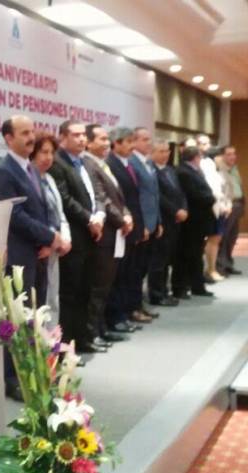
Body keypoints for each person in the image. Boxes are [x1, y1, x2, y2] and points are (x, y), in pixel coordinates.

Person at [0, 116, 65, 401]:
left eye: (32, 131)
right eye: (24, 133)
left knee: (36, 317)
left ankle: (33, 370)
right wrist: (49, 237)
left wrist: (48, 241)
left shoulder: (31, 169)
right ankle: (12, 379)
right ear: (8, 138)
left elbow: (43, 211)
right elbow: (16, 216)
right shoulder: (3, 172)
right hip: (19, 258)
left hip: (38, 255)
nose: (31, 137)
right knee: (17, 319)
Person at [48, 119, 108, 354]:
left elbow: (98, 194)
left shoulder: (86, 162)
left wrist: (99, 215)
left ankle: (83, 340)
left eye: (84, 134)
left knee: (86, 291)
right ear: (62, 137)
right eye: (76, 135)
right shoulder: (58, 163)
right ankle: (67, 346)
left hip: (92, 236)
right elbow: (65, 199)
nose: (82, 139)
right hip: (74, 237)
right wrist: (89, 219)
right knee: (70, 295)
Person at [82, 124, 133, 343]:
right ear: (89, 142)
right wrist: (121, 219)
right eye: (101, 139)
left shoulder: (102, 164)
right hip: (104, 235)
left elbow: (118, 198)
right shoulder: (88, 165)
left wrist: (127, 214)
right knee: (97, 287)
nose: (106, 143)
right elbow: (102, 198)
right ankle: (92, 333)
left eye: (107, 139)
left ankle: (101, 328)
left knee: (106, 286)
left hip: (115, 234)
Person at [104, 127, 146, 330]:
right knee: (119, 275)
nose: (133, 146)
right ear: (116, 143)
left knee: (130, 273)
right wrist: (123, 220)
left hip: (131, 225)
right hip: (118, 227)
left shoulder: (127, 164)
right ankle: (117, 317)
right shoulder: (110, 165)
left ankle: (127, 312)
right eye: (128, 142)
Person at [30, 132, 71, 324]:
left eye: (51, 153)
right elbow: (32, 217)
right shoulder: (28, 179)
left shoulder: (49, 179)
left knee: (53, 297)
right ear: (33, 152)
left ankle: (53, 339)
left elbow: (59, 213)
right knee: (40, 301)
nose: (48, 157)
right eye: (43, 152)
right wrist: (48, 240)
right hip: (40, 248)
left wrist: (65, 238)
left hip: (56, 246)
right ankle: (42, 340)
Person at [128, 127, 162, 320]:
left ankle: (140, 305)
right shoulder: (132, 163)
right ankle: (134, 307)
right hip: (141, 225)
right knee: (135, 269)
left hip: (152, 222)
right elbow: (135, 198)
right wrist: (141, 225)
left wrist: (159, 221)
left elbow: (154, 195)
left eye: (149, 139)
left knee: (144, 268)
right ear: (134, 141)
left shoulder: (148, 162)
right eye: (144, 139)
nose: (148, 142)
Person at [173, 147, 216, 298]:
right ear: (195, 157)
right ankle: (182, 286)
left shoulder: (193, 171)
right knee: (187, 253)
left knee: (196, 253)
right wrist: (210, 198)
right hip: (192, 220)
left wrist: (209, 197)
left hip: (199, 220)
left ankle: (197, 285)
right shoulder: (184, 172)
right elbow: (193, 194)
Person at [148, 140, 187, 306]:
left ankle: (164, 290)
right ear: (152, 152)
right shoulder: (151, 170)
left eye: (167, 151)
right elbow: (159, 196)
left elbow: (180, 193)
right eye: (161, 151)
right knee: (158, 260)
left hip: (175, 221)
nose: (165, 154)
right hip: (162, 219)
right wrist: (175, 211)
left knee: (167, 259)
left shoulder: (171, 170)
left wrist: (184, 208)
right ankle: (156, 294)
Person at [197, 135, 229, 283]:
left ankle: (212, 268)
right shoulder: (207, 165)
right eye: (222, 156)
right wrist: (222, 204)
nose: (224, 159)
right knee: (213, 239)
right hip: (213, 207)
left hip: (219, 207)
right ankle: (210, 269)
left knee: (217, 239)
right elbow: (213, 190)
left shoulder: (216, 168)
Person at [216, 145, 245, 276]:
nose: (232, 157)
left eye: (234, 154)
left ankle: (228, 263)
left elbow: (239, 186)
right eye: (228, 154)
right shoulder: (219, 170)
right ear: (222, 156)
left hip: (237, 204)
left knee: (232, 236)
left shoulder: (234, 169)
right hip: (227, 205)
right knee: (224, 237)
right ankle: (220, 266)